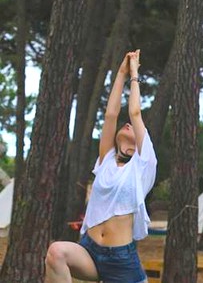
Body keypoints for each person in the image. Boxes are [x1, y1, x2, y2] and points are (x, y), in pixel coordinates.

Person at [46, 50, 157, 283]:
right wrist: (121, 72)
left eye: (132, 127)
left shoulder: (143, 164)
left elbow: (134, 112)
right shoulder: (106, 159)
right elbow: (110, 114)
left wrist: (135, 73)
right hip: (90, 249)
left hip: (121, 261)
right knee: (56, 252)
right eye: (124, 125)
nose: (127, 124)